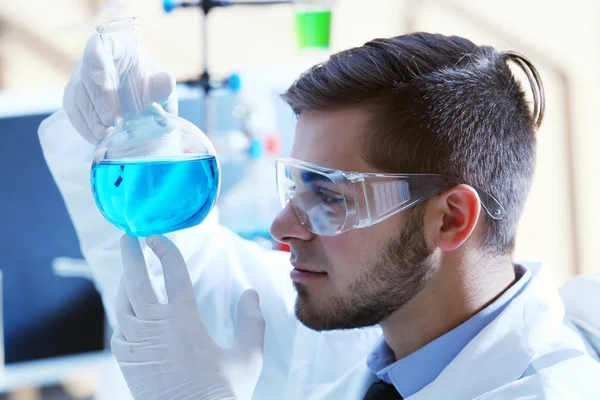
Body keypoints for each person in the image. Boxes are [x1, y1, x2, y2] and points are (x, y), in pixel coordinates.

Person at [38, 31, 600, 399]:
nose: (282, 228)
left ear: (450, 220)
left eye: (330, 197)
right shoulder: (391, 335)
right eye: (295, 186)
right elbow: (202, 286)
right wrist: (123, 130)